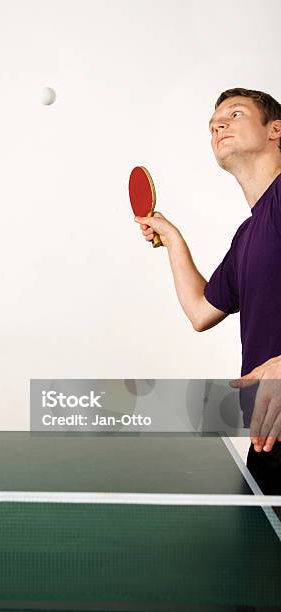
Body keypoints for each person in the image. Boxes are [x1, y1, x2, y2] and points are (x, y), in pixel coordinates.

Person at [135, 88, 281, 495]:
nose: (219, 125)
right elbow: (201, 311)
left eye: (235, 114)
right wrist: (172, 239)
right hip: (269, 437)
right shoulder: (248, 235)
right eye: (214, 122)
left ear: (276, 130)